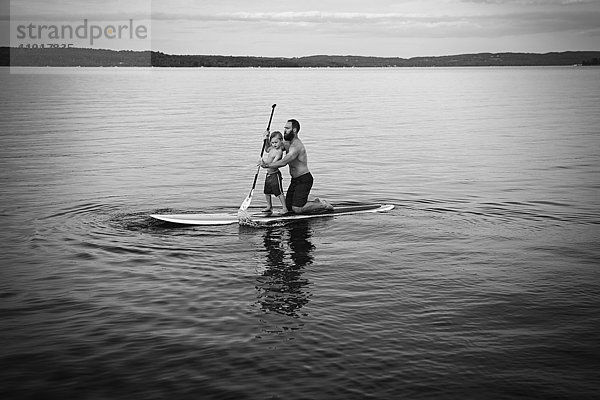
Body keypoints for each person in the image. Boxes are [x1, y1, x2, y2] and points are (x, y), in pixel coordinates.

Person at [260, 119, 333, 214]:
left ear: (294, 130)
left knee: (297, 209)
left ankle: (323, 204)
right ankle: (314, 203)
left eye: (287, 128)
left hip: (304, 180)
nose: (285, 130)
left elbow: (283, 162)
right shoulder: (286, 143)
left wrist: (267, 165)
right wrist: (266, 139)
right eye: (284, 128)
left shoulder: (296, 146)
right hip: (295, 180)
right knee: (289, 207)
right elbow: (271, 149)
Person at [261, 131, 288, 214]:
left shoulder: (279, 152)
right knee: (267, 192)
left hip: (275, 174)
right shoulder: (271, 148)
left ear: (281, 141)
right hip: (268, 174)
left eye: (276, 142)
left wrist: (265, 164)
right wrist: (266, 139)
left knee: (278, 192)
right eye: (272, 143)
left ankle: (285, 208)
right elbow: (266, 149)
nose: (274, 144)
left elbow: (274, 164)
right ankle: (269, 206)